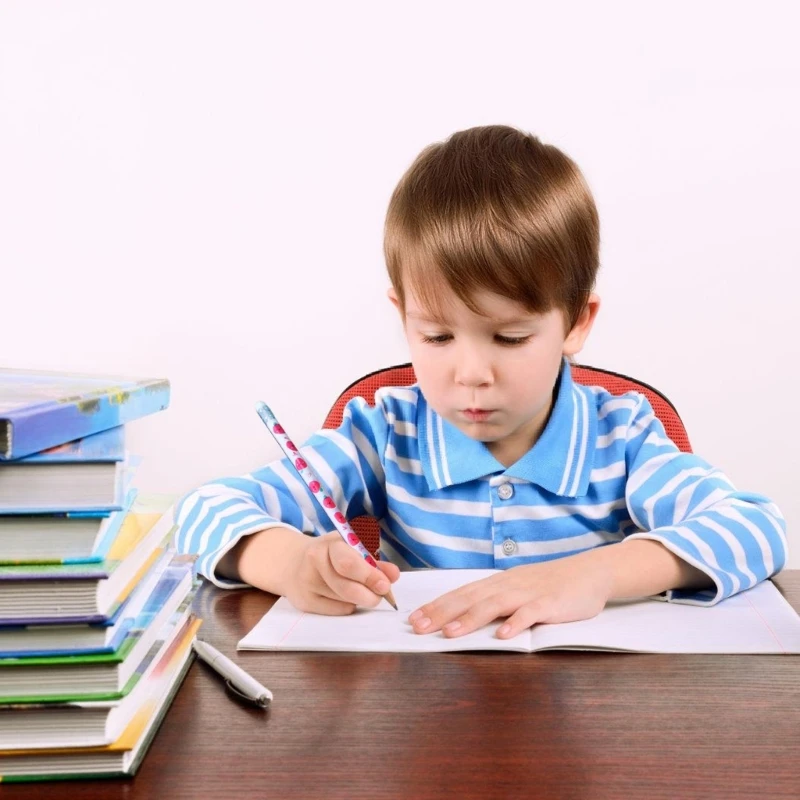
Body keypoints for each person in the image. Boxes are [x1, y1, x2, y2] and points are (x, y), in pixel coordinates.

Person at [174, 124, 786, 641]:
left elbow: (757, 529)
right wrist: (290, 562)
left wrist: (595, 575)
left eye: (511, 338)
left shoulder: (621, 435)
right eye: (437, 337)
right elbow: (202, 511)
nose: (471, 374)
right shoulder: (384, 432)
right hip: (421, 726)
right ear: (403, 318)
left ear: (576, 322)